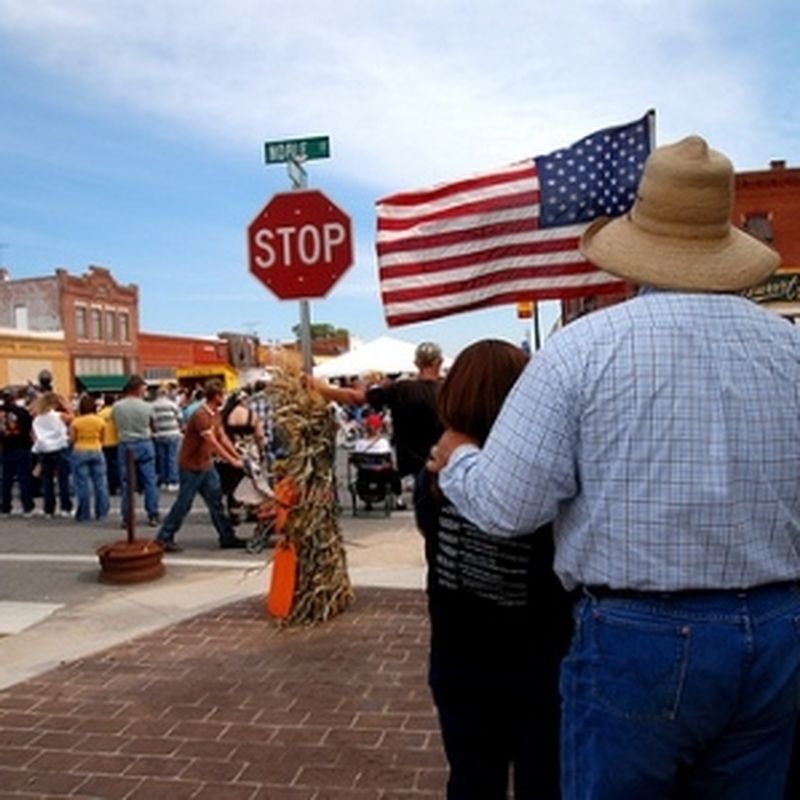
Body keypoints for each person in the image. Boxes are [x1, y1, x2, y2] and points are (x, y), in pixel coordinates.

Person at [431, 136, 800, 799]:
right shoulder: (788, 349)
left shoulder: (582, 350)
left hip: (641, 635)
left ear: (639, 249)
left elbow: (509, 508)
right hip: (778, 627)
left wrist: (459, 461)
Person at [416, 340, 573, 799]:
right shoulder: (542, 481)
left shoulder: (434, 474)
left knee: (470, 778)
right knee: (544, 779)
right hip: (539, 663)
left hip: (458, 656)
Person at [309, 341, 445, 505]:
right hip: (445, 464)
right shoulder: (449, 390)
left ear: (416, 363)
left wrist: (320, 388)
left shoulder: (401, 389)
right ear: (440, 362)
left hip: (413, 467)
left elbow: (356, 398)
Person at [156, 379, 248, 552]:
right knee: (184, 504)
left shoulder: (215, 414)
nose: (225, 397)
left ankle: (227, 537)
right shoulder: (201, 415)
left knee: (216, 502)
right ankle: (164, 537)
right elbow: (212, 442)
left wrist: (238, 455)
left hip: (206, 465)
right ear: (217, 396)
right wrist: (231, 460)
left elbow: (222, 437)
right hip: (191, 466)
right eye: (223, 394)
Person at [112, 375, 159, 528]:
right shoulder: (148, 406)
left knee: (127, 483)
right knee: (149, 480)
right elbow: (153, 426)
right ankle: (153, 514)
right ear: (138, 389)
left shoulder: (117, 406)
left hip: (126, 443)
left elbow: (115, 424)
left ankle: (127, 517)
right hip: (144, 443)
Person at [217, 389, 265, 524]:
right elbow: (259, 436)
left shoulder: (225, 415)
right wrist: (262, 451)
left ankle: (233, 512)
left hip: (232, 450)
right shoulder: (252, 415)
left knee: (233, 484)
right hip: (249, 451)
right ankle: (252, 512)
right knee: (251, 483)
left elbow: (220, 434)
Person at [31, 391, 73, 518]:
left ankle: (49, 509)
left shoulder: (37, 419)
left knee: (47, 481)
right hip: (60, 447)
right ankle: (65, 507)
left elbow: (34, 435)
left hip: (44, 450)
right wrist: (65, 404)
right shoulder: (59, 416)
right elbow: (73, 417)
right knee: (63, 480)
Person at [69, 393, 109, 522]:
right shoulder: (100, 421)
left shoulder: (76, 421)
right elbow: (103, 438)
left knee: (82, 484)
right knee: (101, 484)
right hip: (96, 449)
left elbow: (72, 439)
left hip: (80, 450)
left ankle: (84, 514)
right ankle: (102, 513)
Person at [0, 388, 35, 516]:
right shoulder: (22, 412)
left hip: (5, 447)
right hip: (22, 447)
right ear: (15, 398)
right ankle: (27, 507)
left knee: (6, 479)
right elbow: (29, 429)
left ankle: (5, 507)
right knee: (24, 478)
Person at [151, 384, 182, 491]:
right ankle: (173, 481)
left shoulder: (152, 405)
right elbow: (180, 418)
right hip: (173, 433)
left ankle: (163, 481)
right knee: (172, 458)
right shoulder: (172, 404)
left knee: (162, 458)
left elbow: (151, 421)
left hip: (159, 434)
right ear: (166, 393)